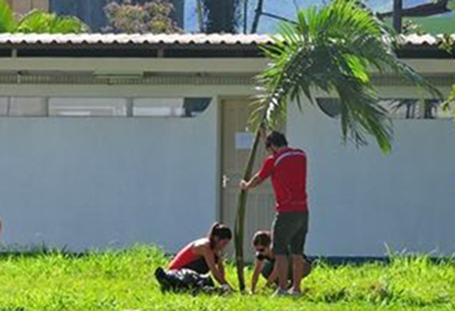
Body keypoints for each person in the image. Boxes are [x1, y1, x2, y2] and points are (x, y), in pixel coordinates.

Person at [240, 131, 309, 296]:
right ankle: (297, 289)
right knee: (297, 252)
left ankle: (283, 288)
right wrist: (266, 135)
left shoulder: (273, 160)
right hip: (303, 211)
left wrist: (246, 185)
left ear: (272, 147)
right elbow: (283, 154)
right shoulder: (301, 155)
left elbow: (259, 178)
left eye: (269, 148)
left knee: (280, 251)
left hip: (286, 212)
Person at [155, 222, 233, 292]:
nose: (224, 247)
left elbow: (220, 267)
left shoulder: (213, 249)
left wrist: (224, 283)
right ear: (216, 238)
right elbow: (214, 271)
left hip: (188, 274)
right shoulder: (205, 247)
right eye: (224, 243)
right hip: (177, 273)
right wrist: (228, 287)